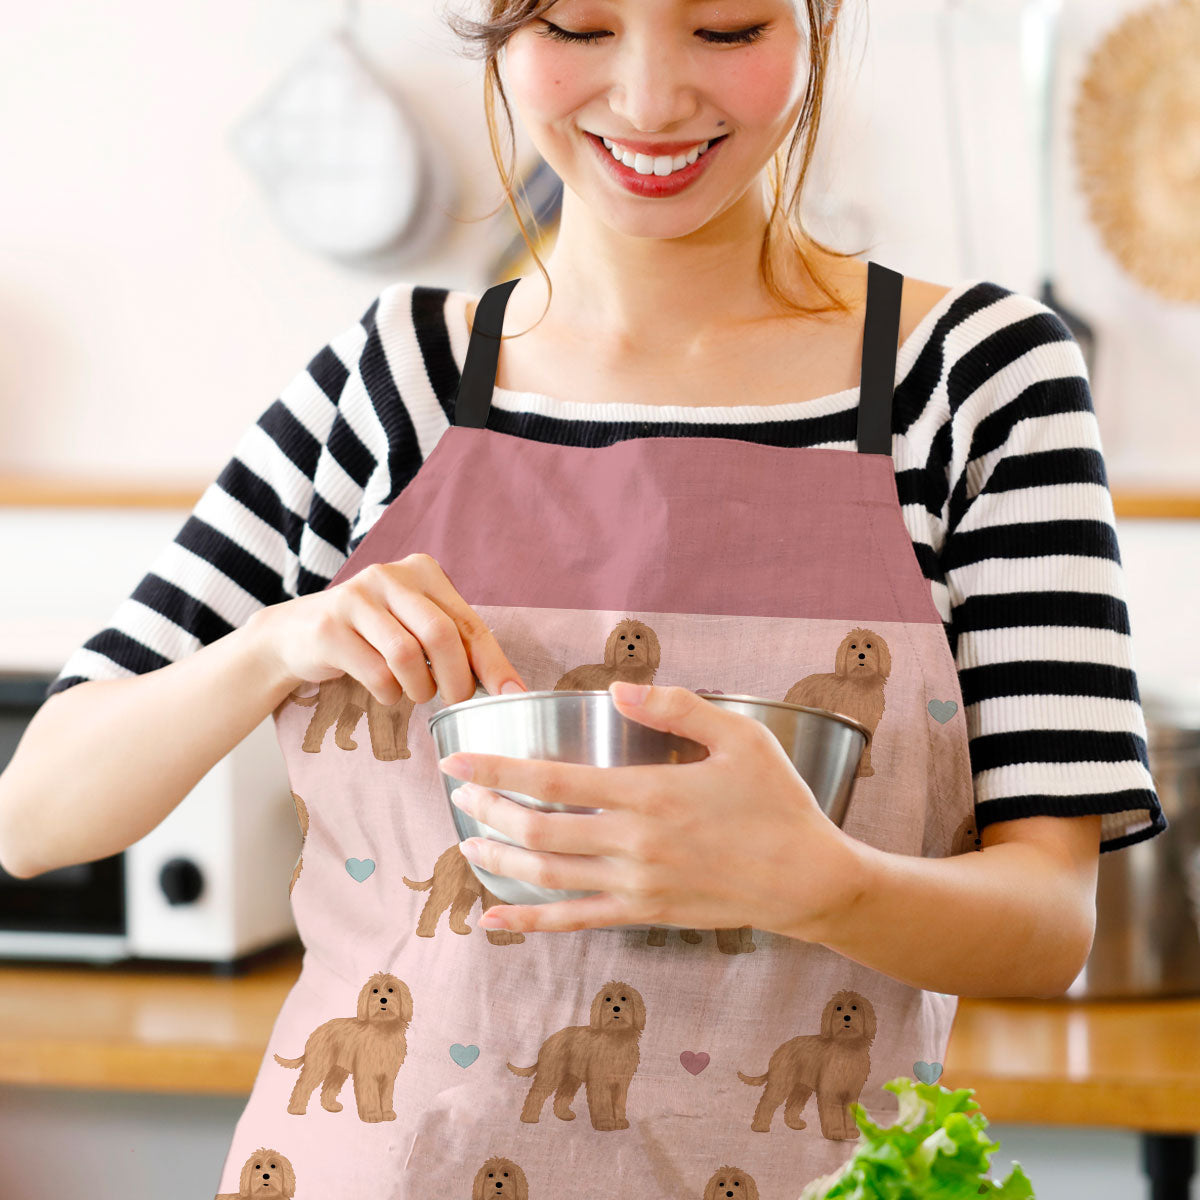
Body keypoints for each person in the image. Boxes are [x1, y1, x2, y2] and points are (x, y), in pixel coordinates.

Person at [0, 0, 1166, 1195]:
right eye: (578, 25)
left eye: (726, 28)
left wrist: (823, 884)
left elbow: (1047, 922)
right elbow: (35, 815)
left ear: (816, 22)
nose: (653, 100)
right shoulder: (392, 381)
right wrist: (274, 643)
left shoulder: (976, 382)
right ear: (499, 31)